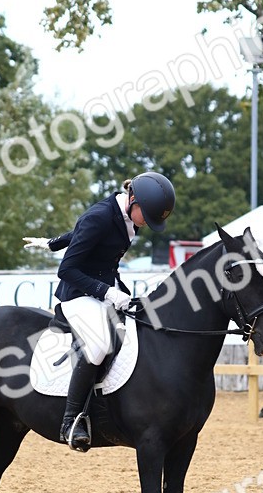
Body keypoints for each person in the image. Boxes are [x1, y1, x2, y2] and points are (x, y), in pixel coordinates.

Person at [23, 172, 176, 451]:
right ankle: (72, 420)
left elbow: (81, 235)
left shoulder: (128, 217)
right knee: (98, 344)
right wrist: (109, 293)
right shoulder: (100, 216)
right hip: (78, 295)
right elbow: (66, 270)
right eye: (148, 216)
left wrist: (54, 242)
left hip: (105, 287)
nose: (147, 223)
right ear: (133, 200)